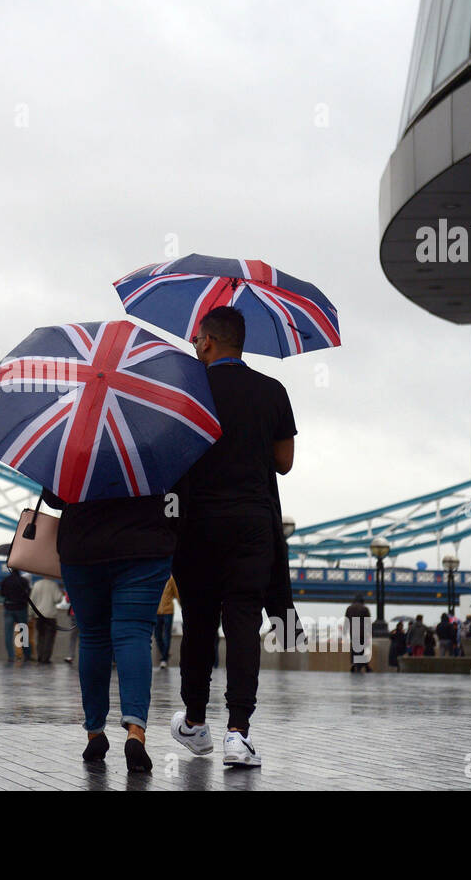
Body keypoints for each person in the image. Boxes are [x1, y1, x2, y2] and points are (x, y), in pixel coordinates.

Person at [170, 306, 295, 769]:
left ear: (208, 342)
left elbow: (169, 456)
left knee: (199, 621)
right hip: (252, 524)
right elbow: (283, 462)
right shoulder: (272, 390)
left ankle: (196, 721)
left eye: (197, 340)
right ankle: (238, 734)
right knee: (243, 622)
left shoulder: (189, 392)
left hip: (197, 524)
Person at [41, 485, 179, 774]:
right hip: (145, 543)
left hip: (82, 546)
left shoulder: (74, 441)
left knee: (92, 637)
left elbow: (54, 498)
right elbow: (179, 495)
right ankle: (135, 732)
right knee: (135, 634)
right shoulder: (158, 441)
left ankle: (94, 733)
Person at [30, 574, 65, 664]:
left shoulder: (37, 584)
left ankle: (40, 656)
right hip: (50, 616)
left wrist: (31, 614)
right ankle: (46, 658)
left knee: (40, 637)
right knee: (49, 638)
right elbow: (58, 599)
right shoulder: (53, 585)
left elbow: (31, 600)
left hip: (39, 616)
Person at [0, 568, 33, 662]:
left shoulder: (6, 580)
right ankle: (27, 655)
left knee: (8, 634)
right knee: (23, 633)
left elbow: (2, 593)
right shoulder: (23, 581)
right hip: (21, 609)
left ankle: (11, 656)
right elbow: (28, 594)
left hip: (8, 608)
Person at [154, 577, 178, 669]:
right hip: (157, 612)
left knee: (167, 635)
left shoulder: (171, 579)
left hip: (168, 611)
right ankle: (165, 653)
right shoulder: (156, 577)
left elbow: (177, 593)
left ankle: (164, 659)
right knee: (157, 635)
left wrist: (183, 607)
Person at [344, 594, 372, 672]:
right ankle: (362, 665)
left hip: (353, 632)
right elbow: (368, 622)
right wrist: (370, 632)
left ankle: (355, 665)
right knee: (361, 649)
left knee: (354, 649)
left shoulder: (349, 608)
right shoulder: (365, 608)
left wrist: (345, 631)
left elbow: (346, 621)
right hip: (363, 632)